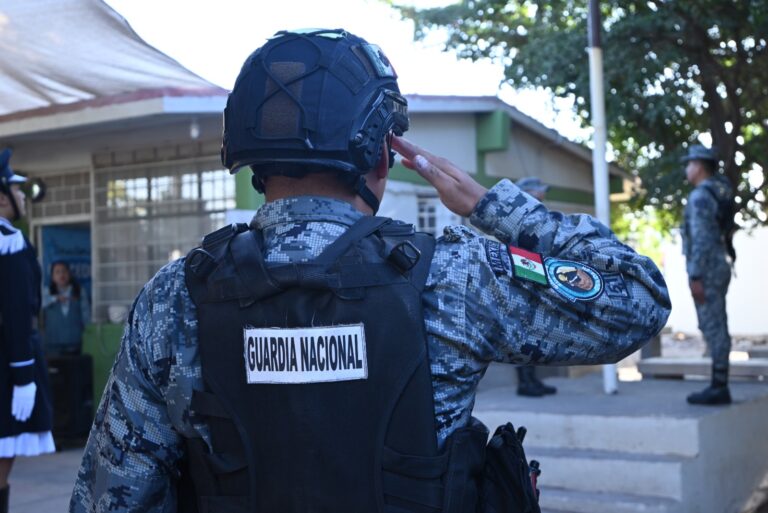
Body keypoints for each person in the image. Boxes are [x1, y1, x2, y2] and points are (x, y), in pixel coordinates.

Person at [70, 29, 671, 512]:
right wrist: (492, 206)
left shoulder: (174, 297)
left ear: (254, 161)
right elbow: (639, 299)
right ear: (380, 153)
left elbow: (112, 493)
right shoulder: (454, 276)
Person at [0, 149, 55, 513]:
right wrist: (23, 378)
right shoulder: (9, 243)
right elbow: (17, 314)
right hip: (6, 367)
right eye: (16, 189)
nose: (22, 195)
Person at [681, 144, 735, 405]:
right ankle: (719, 383)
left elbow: (701, 238)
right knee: (717, 323)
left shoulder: (700, 197)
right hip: (718, 265)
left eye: (689, 164)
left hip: (707, 270)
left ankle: (719, 387)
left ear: (699, 167)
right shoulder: (718, 191)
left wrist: (695, 276)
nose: (687, 169)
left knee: (714, 326)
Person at [513, 177, 557, 397]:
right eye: (540, 190)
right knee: (523, 332)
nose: (543, 194)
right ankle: (524, 383)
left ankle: (532, 379)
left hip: (534, 272)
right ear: (529, 192)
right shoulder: (521, 215)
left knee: (534, 332)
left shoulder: (535, 213)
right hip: (524, 275)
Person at [42, 261, 90, 356]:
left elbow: (86, 316)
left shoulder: (79, 291)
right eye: (57, 272)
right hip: (52, 344)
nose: (61, 275)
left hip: (74, 342)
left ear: (69, 274)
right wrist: (55, 298)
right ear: (52, 276)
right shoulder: (47, 292)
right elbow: (39, 305)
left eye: (64, 271)